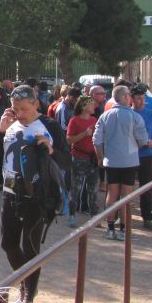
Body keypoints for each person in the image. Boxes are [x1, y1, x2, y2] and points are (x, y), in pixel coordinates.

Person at [0, 85, 69, 303]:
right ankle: (26, 283)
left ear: (36, 104)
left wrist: (51, 150)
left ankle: (28, 300)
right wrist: (0, 131)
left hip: (38, 196)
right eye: (15, 109)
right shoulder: (9, 124)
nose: (20, 114)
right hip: (10, 193)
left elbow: (67, 160)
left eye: (24, 109)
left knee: (31, 248)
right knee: (8, 244)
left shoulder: (50, 125)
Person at [92, 85, 149, 241]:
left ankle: (110, 229)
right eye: (129, 95)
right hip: (129, 160)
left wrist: (100, 158)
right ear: (125, 97)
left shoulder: (104, 116)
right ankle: (124, 229)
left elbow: (97, 140)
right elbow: (143, 140)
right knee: (126, 196)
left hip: (111, 161)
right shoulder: (135, 117)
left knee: (112, 193)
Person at [131, 84, 152, 231]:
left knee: (146, 187)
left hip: (146, 155)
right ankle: (121, 215)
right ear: (132, 99)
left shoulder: (151, 114)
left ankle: (147, 217)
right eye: (139, 98)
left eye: (143, 98)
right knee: (126, 187)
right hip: (130, 155)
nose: (142, 101)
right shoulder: (128, 114)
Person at [66, 96, 99, 228]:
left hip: (92, 158)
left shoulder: (94, 120)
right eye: (91, 104)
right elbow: (69, 140)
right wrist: (84, 134)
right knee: (76, 188)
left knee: (93, 189)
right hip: (78, 157)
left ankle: (94, 214)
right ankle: (72, 215)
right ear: (84, 106)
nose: (94, 106)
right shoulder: (74, 121)